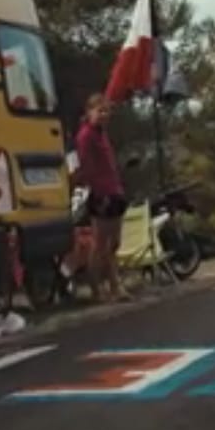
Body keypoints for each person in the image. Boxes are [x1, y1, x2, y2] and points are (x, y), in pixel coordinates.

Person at [74, 94, 131, 303]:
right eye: (100, 111)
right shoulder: (86, 136)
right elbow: (87, 168)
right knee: (100, 244)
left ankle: (115, 285)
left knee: (113, 243)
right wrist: (97, 192)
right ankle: (97, 288)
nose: (104, 115)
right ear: (89, 112)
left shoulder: (102, 134)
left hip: (114, 190)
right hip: (101, 193)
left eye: (107, 111)